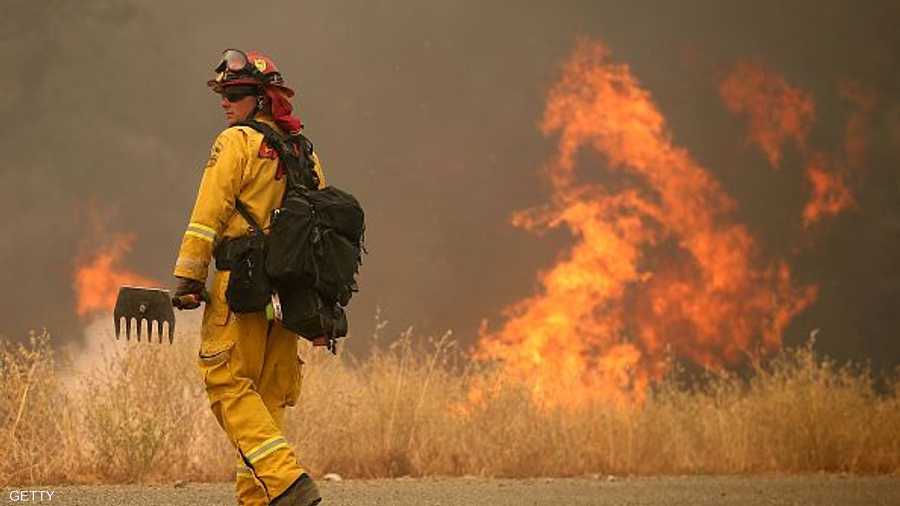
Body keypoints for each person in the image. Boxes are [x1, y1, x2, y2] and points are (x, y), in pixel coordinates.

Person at [172, 49, 326, 506]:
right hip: (291, 292)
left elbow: (208, 214)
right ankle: (258, 499)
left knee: (227, 383)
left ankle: (286, 481)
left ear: (261, 99)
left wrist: (188, 276)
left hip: (240, 284)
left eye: (235, 93)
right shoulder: (304, 150)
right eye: (223, 93)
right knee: (267, 396)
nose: (225, 101)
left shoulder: (235, 142)